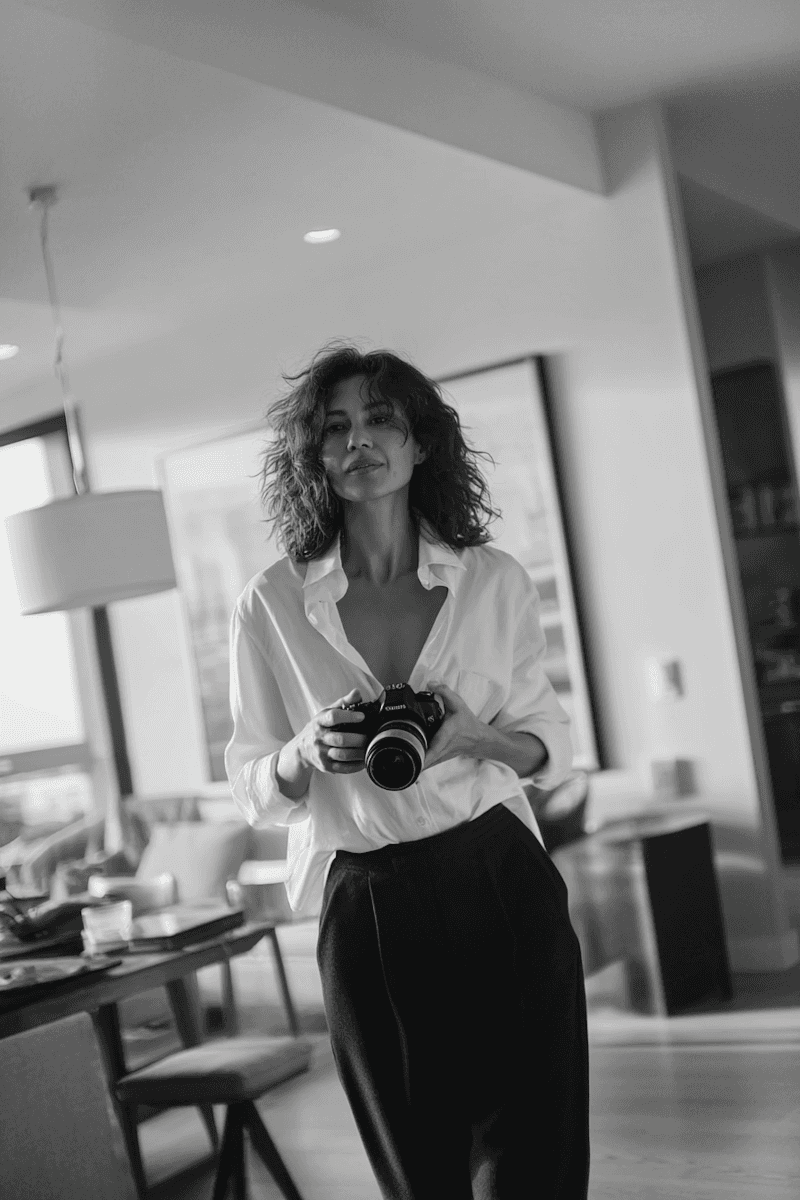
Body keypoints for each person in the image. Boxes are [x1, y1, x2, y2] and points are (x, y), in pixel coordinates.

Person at [225, 343, 590, 1199]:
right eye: (335, 427)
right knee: (420, 1173)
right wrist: (303, 752)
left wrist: (475, 739)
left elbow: (548, 744)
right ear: (314, 456)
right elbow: (251, 784)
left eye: (380, 419)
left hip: (498, 874)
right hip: (367, 903)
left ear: (421, 441)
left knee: (538, 1155)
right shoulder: (270, 604)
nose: (359, 440)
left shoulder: (494, 581)